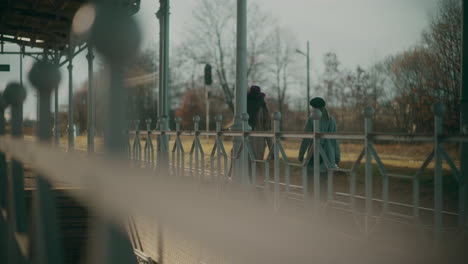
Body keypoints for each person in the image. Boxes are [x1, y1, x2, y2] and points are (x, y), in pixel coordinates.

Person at [298, 97, 340, 201]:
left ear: (314, 107)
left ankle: (312, 204)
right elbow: (335, 140)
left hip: (314, 153)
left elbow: (306, 139)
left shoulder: (311, 119)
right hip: (328, 155)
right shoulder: (331, 119)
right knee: (324, 183)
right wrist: (337, 156)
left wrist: (301, 154)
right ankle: (324, 205)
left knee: (310, 180)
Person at [247, 85, 272, 160]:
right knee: (256, 167)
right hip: (258, 143)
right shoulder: (263, 108)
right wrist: (272, 149)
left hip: (244, 142)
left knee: (243, 168)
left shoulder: (244, 106)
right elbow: (267, 129)